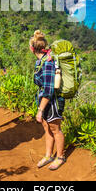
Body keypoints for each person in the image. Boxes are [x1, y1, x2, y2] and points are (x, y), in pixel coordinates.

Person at [30, 30, 66, 171]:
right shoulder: (42, 60)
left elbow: (48, 90)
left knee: (55, 129)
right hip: (45, 100)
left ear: (33, 48)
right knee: (47, 128)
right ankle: (48, 155)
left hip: (53, 102)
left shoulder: (48, 63)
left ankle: (60, 157)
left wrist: (40, 110)